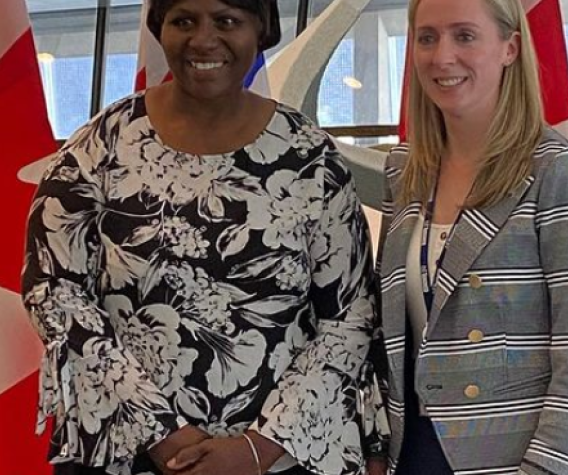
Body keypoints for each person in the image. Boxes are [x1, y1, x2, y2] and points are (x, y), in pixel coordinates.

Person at [21, 1, 378, 474]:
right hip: (126, 454)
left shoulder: (309, 158)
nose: (203, 40)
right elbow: (53, 291)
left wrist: (256, 449)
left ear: (261, 30)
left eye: (227, 21)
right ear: (159, 29)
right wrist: (162, 434)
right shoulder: (100, 145)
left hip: (282, 459)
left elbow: (351, 313)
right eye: (183, 21)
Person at [374, 0, 568, 474]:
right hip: (417, 451)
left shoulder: (562, 170)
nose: (442, 56)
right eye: (427, 38)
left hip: (528, 459)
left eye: (464, 36)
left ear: (510, 48)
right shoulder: (403, 171)